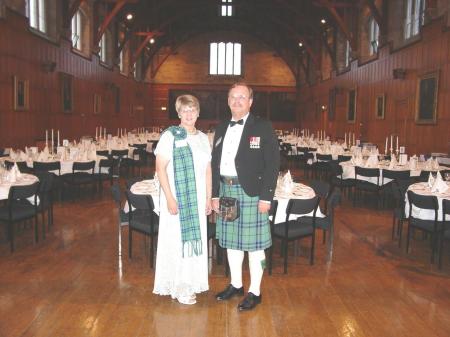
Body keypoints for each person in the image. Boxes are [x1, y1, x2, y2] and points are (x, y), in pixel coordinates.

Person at [211, 82, 280, 311]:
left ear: (250, 102)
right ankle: (236, 284)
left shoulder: (263, 126)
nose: (237, 101)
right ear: (228, 101)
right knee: (232, 243)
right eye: (233, 97)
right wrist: (214, 194)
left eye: (242, 97)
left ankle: (255, 291)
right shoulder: (221, 127)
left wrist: (266, 197)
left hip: (252, 193)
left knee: (255, 246)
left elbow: (273, 164)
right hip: (227, 191)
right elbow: (214, 163)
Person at [153, 95, 212, 305]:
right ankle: (179, 285)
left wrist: (208, 198)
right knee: (177, 241)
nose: (189, 114)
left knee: (195, 242)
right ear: (178, 113)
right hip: (177, 197)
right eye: (184, 110)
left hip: (197, 199)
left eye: (192, 109)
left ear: (198, 112)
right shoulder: (170, 136)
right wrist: (169, 198)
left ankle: (191, 281)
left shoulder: (204, 138)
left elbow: (207, 170)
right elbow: (160, 169)